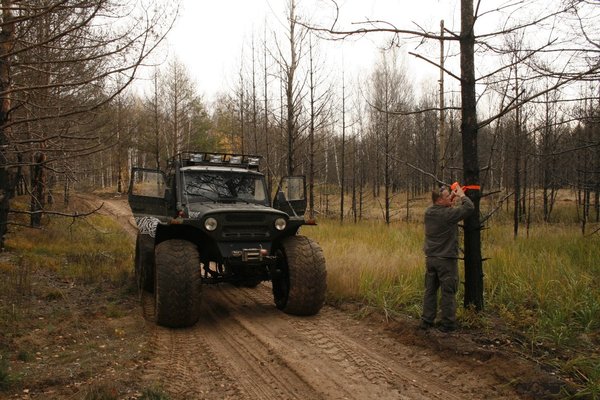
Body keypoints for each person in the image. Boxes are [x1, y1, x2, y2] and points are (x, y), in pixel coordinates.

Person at [420, 184, 474, 332]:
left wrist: (449, 200)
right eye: (446, 196)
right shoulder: (448, 215)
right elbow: (469, 208)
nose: (450, 197)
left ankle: (427, 320)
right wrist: (462, 195)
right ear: (439, 200)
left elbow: (444, 209)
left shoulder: (429, 212)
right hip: (446, 261)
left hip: (431, 259)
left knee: (430, 290)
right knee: (448, 292)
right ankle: (448, 324)